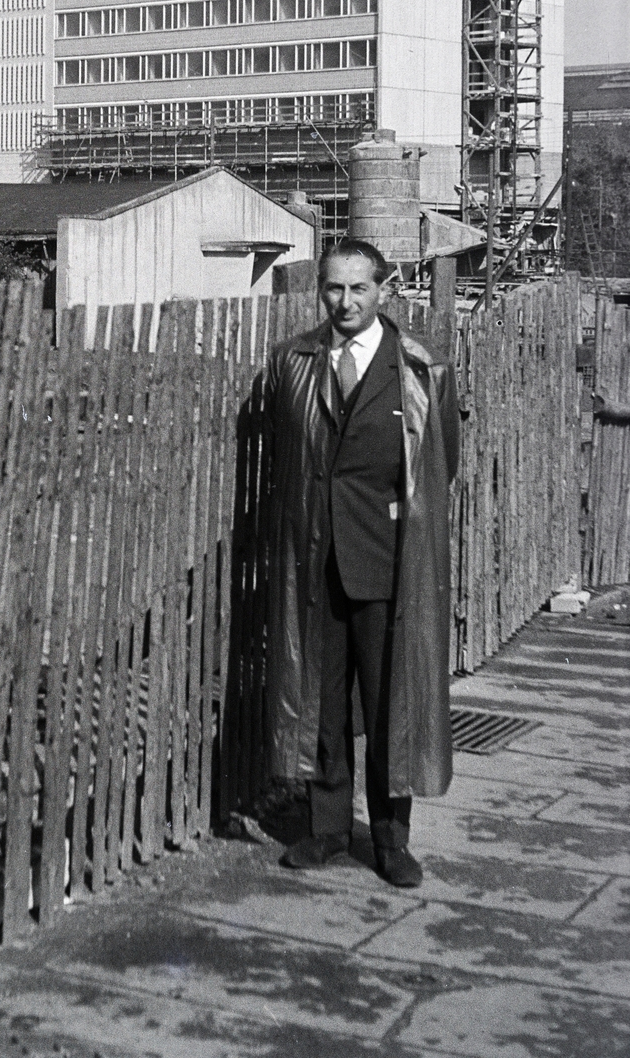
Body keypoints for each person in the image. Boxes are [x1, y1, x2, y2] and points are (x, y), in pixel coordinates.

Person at [261, 238, 460, 887]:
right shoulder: (293, 363)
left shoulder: (420, 369)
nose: (344, 303)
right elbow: (280, 458)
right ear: (321, 290)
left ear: (384, 290)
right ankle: (325, 830)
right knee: (321, 701)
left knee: (387, 705)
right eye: (333, 289)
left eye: (358, 289)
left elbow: (439, 465)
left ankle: (389, 840)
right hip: (316, 559)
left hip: (386, 561)